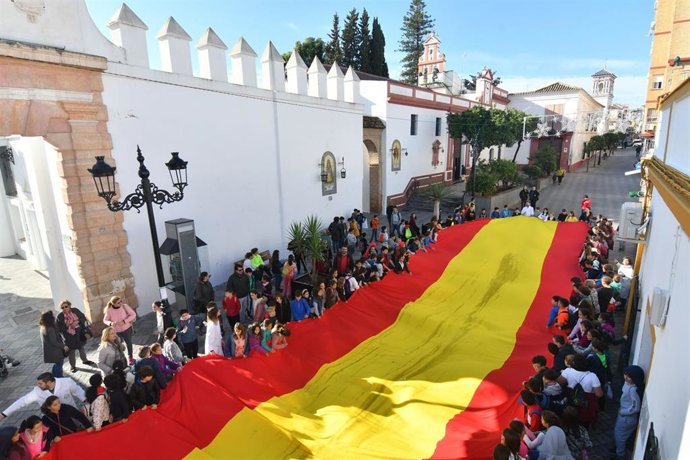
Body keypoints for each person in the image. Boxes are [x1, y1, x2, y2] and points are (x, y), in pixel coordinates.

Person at [0, 372, 85, 422]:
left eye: (40, 383)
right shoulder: (37, 391)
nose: (38, 385)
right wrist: (4, 414)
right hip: (54, 420)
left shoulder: (67, 382)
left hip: (73, 415)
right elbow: (23, 401)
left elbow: (80, 393)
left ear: (49, 382)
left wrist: (86, 405)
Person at [613, 365, 645, 460]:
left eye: (629, 376)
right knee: (618, 434)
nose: (626, 378)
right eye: (625, 375)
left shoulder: (633, 390)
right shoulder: (628, 384)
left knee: (620, 436)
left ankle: (620, 455)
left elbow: (635, 408)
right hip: (623, 415)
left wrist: (623, 412)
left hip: (627, 418)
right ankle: (619, 451)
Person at [55, 300, 95, 373]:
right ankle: (73, 366)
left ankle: (85, 360)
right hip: (69, 336)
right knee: (71, 351)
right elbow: (59, 329)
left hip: (79, 333)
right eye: (62, 307)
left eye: (66, 306)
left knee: (81, 347)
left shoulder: (75, 310)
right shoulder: (60, 316)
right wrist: (67, 325)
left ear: (69, 305)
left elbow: (83, 317)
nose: (64, 308)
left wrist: (78, 322)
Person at [102, 296, 137, 365]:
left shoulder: (125, 306)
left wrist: (124, 321)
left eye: (121, 301)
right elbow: (105, 320)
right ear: (113, 304)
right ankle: (122, 358)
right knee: (118, 345)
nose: (121, 303)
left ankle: (130, 358)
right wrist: (111, 323)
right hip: (116, 331)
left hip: (127, 329)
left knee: (129, 343)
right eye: (118, 302)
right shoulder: (109, 310)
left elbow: (133, 314)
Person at [39, 311, 67, 378]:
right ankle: (59, 377)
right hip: (55, 351)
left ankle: (54, 377)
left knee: (57, 364)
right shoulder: (50, 329)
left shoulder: (43, 327)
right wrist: (63, 346)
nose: (54, 317)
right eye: (52, 317)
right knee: (59, 364)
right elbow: (53, 341)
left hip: (50, 350)